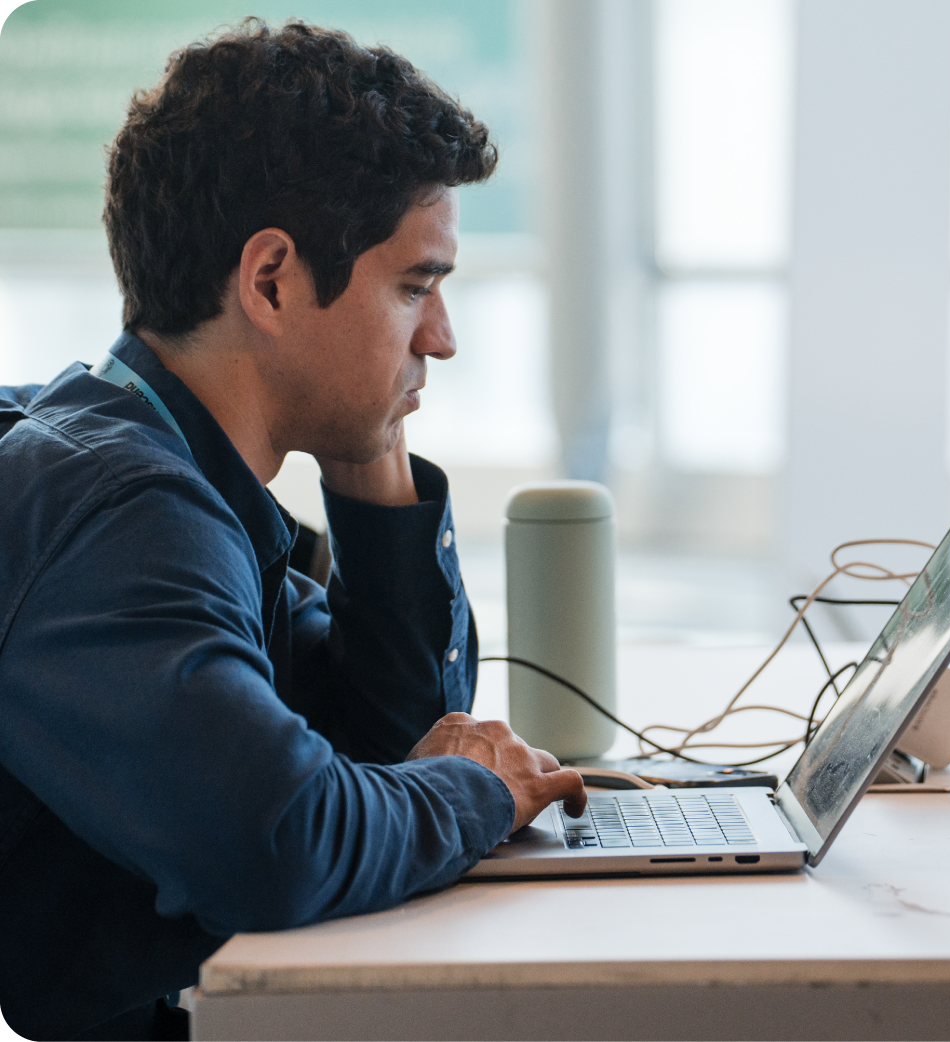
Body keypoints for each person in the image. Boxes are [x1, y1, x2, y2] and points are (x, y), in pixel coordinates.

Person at [0, 20, 586, 1041]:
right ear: (270, 281)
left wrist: (369, 448)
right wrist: (478, 791)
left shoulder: (170, 468)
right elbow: (283, 838)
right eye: (415, 288)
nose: (442, 341)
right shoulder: (123, 514)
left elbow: (380, 739)